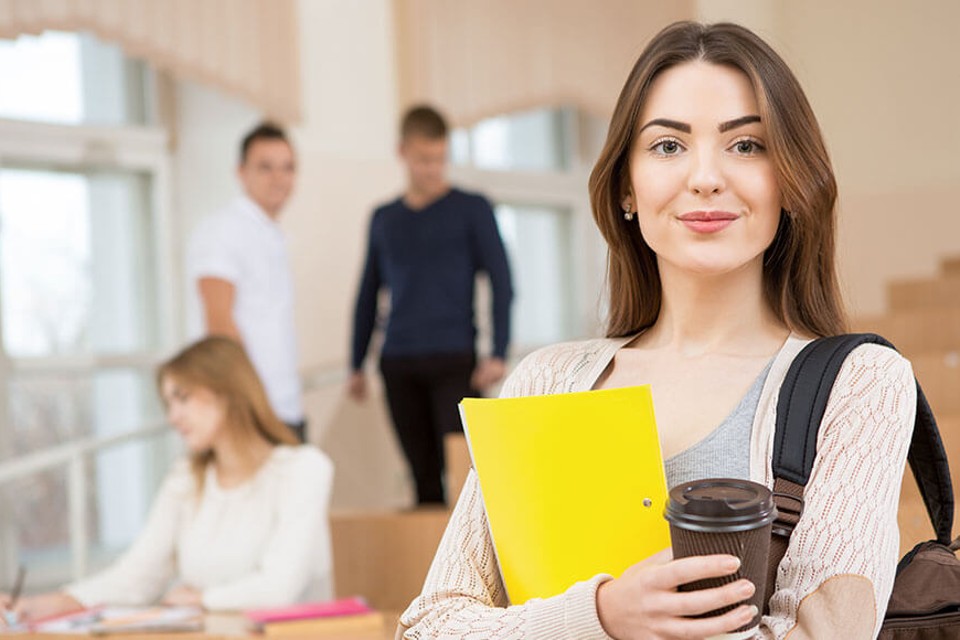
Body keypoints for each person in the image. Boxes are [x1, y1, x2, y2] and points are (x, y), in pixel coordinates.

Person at [398, 21, 914, 639]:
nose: (705, 177)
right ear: (626, 186)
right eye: (668, 146)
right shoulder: (546, 381)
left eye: (746, 145)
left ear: (793, 182)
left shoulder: (859, 383)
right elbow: (430, 626)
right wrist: (602, 616)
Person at [0, 337, 334, 624]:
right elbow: (137, 577)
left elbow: (280, 587)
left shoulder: (304, 470)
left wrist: (202, 599)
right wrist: (37, 605)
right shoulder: (187, 478)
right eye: (169, 403)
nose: (173, 417)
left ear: (226, 391)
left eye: (183, 398)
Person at [349, 105, 514, 506]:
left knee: (468, 475)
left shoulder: (471, 209)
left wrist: (497, 351)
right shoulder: (384, 219)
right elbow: (368, 292)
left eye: (440, 158)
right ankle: (436, 568)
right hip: (398, 363)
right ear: (402, 151)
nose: (432, 168)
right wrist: (356, 362)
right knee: (423, 481)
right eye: (424, 159)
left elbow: (502, 281)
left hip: (455, 360)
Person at [188, 122, 307, 441]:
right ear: (241, 172)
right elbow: (220, 326)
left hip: (283, 406)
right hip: (251, 413)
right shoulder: (223, 231)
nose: (279, 178)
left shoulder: (270, 234)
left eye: (288, 168)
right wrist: (250, 407)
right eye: (265, 167)